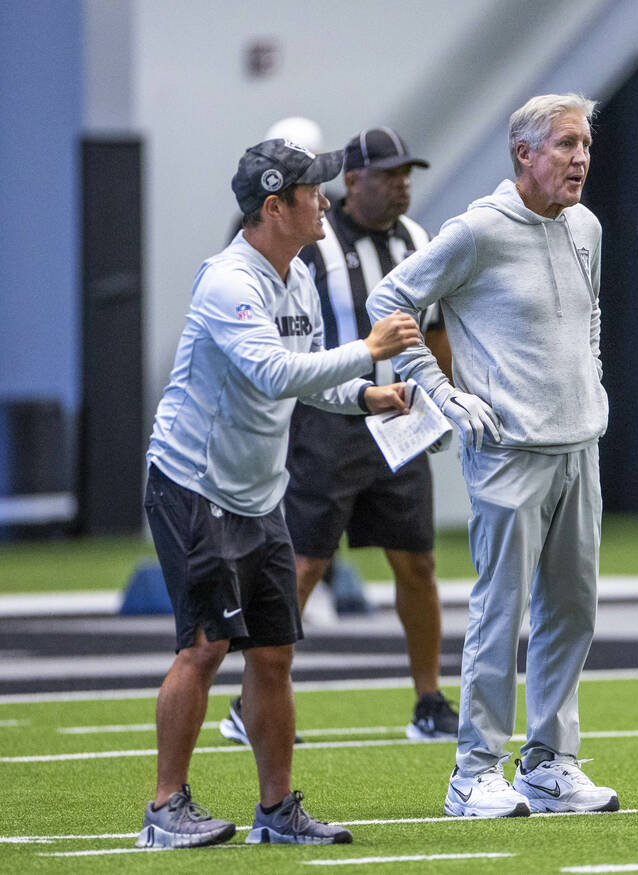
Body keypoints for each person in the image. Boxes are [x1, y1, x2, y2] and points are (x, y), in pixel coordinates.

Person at [139, 137, 420, 848]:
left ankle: (276, 811)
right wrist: (372, 348)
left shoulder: (294, 274)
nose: (324, 199)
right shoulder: (230, 280)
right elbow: (270, 372)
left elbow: (310, 377)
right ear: (274, 205)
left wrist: (369, 394)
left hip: (259, 491)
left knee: (272, 654)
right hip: (195, 485)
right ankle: (165, 806)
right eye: (311, 191)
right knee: (205, 647)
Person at [366, 93, 618, 818]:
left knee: (572, 611)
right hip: (507, 452)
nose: (580, 159)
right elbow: (392, 301)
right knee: (500, 611)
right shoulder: (477, 230)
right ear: (524, 154)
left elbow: (591, 312)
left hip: (580, 446)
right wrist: (442, 396)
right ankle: (474, 770)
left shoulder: (587, 228)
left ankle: (549, 763)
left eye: (585, 146)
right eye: (566, 145)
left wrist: (589, 381)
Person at [219, 126, 459, 746]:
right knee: (302, 563)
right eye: (391, 174)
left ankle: (429, 699)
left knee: (418, 560)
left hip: (398, 414)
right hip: (326, 422)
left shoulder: (417, 239)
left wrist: (442, 400)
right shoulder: (310, 245)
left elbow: (433, 330)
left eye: (409, 173)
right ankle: (254, 702)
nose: (403, 185)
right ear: (354, 181)